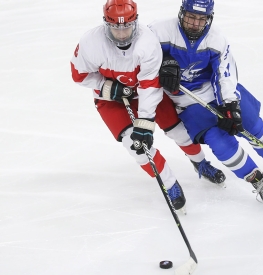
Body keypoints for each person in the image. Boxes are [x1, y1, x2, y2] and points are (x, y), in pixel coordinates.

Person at [70, 0, 227, 212]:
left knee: (179, 132)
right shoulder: (91, 42)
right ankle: (169, 183)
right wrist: (106, 87)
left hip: (147, 94)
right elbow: (78, 75)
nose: (122, 33)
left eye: (127, 26)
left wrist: (144, 123)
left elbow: (149, 85)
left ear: (135, 21)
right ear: (106, 24)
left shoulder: (147, 41)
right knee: (137, 148)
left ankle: (200, 163)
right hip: (111, 101)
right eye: (116, 27)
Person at [149, 0, 263, 206]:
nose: (195, 24)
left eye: (201, 19)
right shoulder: (158, 32)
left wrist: (229, 105)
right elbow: (139, 55)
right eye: (191, 17)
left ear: (209, 18)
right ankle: (256, 179)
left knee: (249, 121)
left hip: (216, 91)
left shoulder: (216, 39)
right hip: (187, 100)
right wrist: (162, 63)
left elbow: (225, 73)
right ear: (182, 13)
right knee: (218, 140)